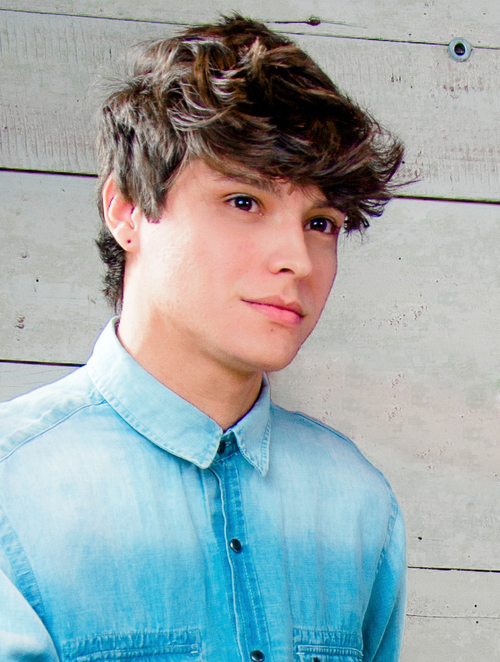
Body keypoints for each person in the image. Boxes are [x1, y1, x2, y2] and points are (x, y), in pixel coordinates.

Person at [0, 15, 406, 662]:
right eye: (244, 202)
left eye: (321, 222)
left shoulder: (358, 504)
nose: (297, 260)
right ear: (127, 209)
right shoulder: (12, 488)